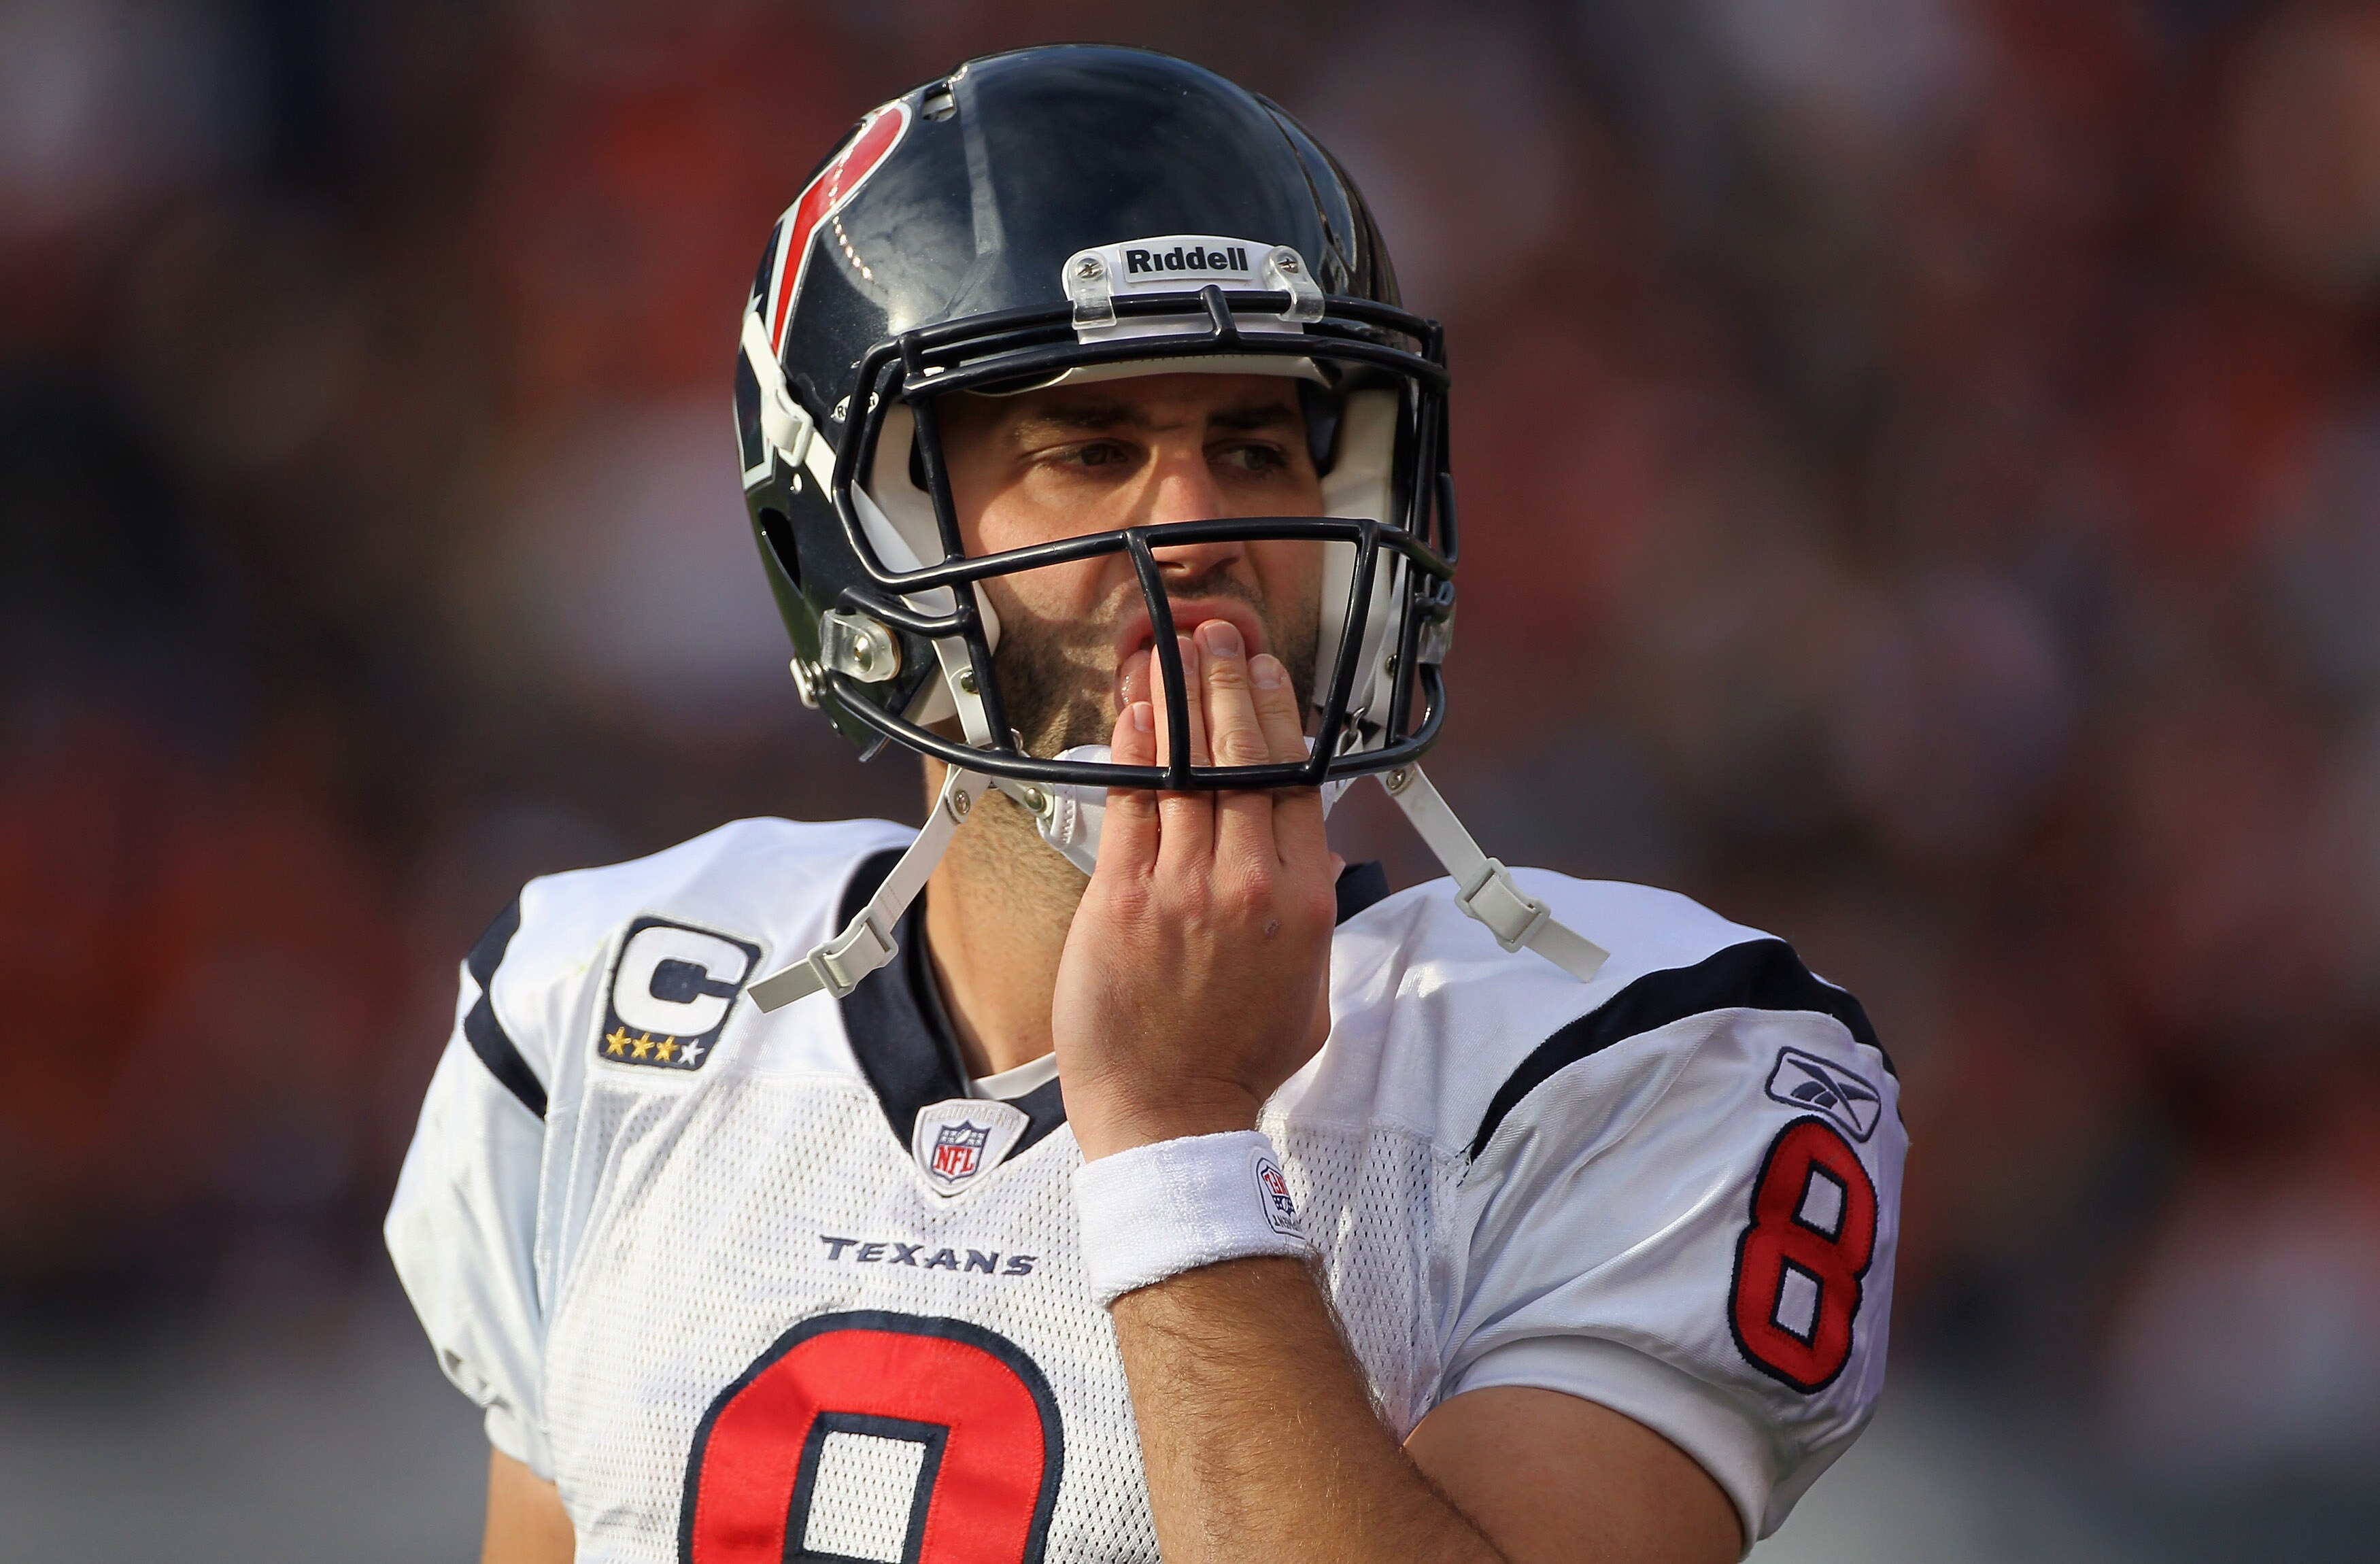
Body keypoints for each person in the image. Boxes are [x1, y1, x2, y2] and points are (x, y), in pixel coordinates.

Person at [386, 44, 1904, 1564]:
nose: (1193, 530)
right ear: (866, 541)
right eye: (1089, 450)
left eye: (1253, 445)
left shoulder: (1632, 1057)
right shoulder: (609, 1009)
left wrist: (1179, 1136)